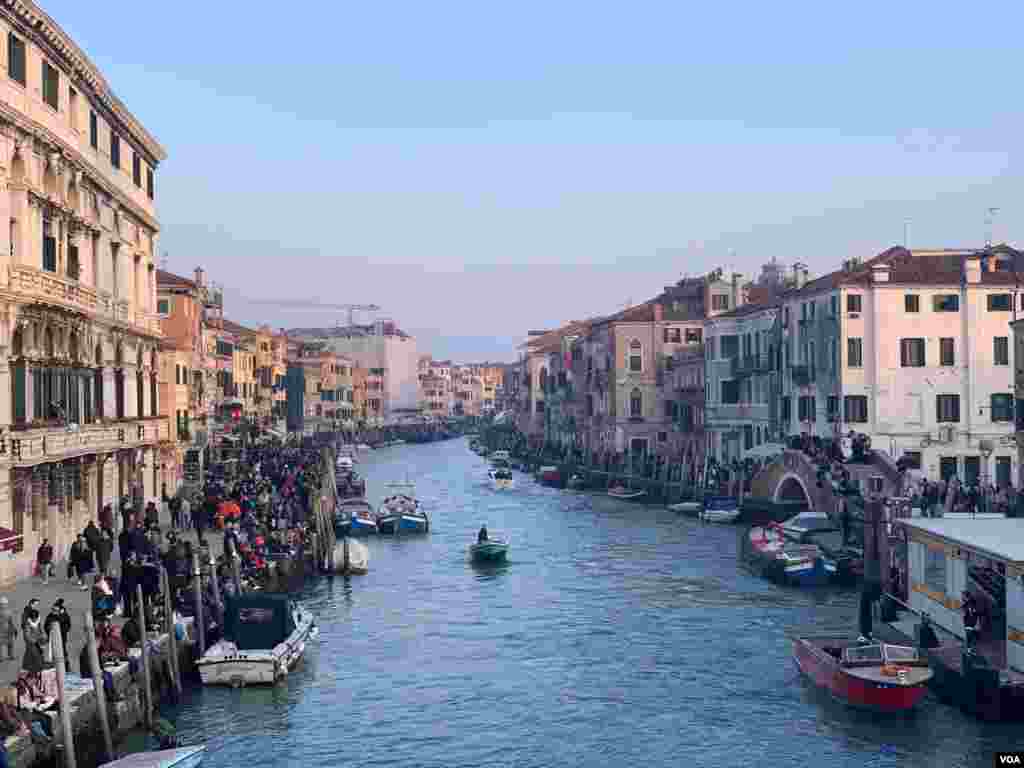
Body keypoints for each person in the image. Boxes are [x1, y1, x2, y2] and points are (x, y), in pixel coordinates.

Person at [43, 599, 70, 664]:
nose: (53, 611)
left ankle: (65, 664)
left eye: (55, 610)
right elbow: (45, 625)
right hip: (52, 637)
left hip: (62, 637)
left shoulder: (64, 616)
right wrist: (49, 630)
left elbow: (68, 625)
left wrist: (61, 630)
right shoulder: (50, 616)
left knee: (62, 651)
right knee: (52, 651)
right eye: (52, 609)